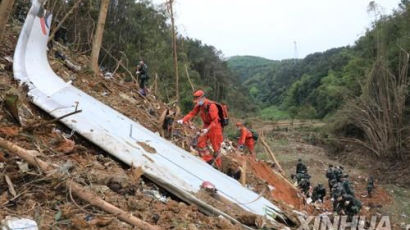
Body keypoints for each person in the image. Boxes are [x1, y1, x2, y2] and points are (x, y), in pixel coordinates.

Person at [177, 90, 223, 168]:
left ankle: (218, 166)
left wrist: (208, 129)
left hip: (215, 127)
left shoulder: (211, 106)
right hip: (207, 125)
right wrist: (183, 120)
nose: (196, 102)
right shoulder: (199, 105)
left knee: (216, 147)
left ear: (202, 98)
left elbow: (215, 120)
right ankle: (208, 160)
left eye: (197, 99)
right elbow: (192, 113)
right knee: (200, 142)